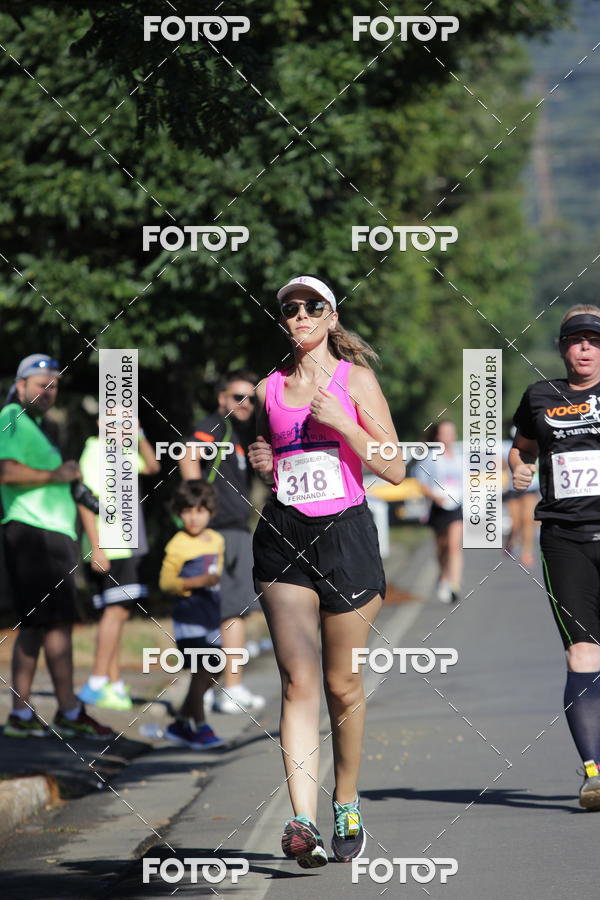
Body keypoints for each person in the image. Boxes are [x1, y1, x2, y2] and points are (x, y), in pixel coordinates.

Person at [248, 274, 404, 867]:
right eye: (291, 308)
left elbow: (392, 468)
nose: (301, 315)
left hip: (346, 536)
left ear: (331, 317)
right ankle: (302, 822)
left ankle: (345, 800)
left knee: (341, 683)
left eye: (313, 306)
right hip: (284, 538)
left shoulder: (356, 380)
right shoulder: (269, 388)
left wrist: (344, 422)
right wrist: (266, 465)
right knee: (297, 681)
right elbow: (280, 461)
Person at [510, 304, 600, 809]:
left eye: (593, 340)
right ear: (563, 347)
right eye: (575, 340)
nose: (584, 348)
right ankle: (594, 772)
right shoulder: (540, 396)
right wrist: (519, 469)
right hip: (564, 538)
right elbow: (521, 448)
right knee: (581, 652)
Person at [0, 354, 112, 739]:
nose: (48, 391)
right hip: (34, 534)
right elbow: (5, 471)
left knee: (37, 625)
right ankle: (64, 710)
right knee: (56, 624)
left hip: (50, 536)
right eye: (39, 383)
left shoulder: (38, 427)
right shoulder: (11, 416)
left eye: (54, 385)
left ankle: (25, 714)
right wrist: (56, 474)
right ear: (20, 385)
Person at [179, 369, 264, 714]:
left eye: (250, 398)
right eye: (237, 397)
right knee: (233, 612)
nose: (245, 404)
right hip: (222, 531)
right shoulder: (215, 425)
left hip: (234, 529)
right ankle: (232, 687)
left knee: (227, 611)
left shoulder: (234, 433)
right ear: (221, 399)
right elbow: (188, 455)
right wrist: (199, 512)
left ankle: (215, 691)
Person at [77, 412, 160, 710]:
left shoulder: (122, 450)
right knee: (114, 612)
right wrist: (96, 548)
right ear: (100, 423)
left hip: (127, 546)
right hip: (110, 546)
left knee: (119, 613)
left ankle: (111, 683)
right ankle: (97, 681)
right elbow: (83, 500)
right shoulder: (95, 451)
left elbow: (152, 465)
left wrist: (138, 435)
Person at [159, 479, 226, 749]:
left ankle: (180, 723)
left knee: (216, 667)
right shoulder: (178, 544)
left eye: (199, 510)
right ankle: (199, 726)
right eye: (187, 511)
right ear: (179, 513)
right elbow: (165, 582)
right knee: (202, 668)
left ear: (210, 511)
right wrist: (195, 582)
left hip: (210, 614)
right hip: (189, 616)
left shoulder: (218, 540)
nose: (193, 517)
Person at [416, 420, 463, 603]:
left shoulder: (460, 456)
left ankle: (454, 584)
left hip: (457, 505)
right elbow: (421, 483)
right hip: (438, 507)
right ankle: (443, 574)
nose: (449, 437)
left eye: (451, 432)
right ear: (437, 436)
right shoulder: (430, 458)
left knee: (454, 546)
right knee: (442, 547)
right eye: (445, 433)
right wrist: (435, 496)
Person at [503, 427, 540, 569]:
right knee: (515, 522)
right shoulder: (506, 447)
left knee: (527, 520)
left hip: (531, 488)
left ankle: (527, 552)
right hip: (513, 488)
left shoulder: (537, 444)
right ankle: (511, 541)